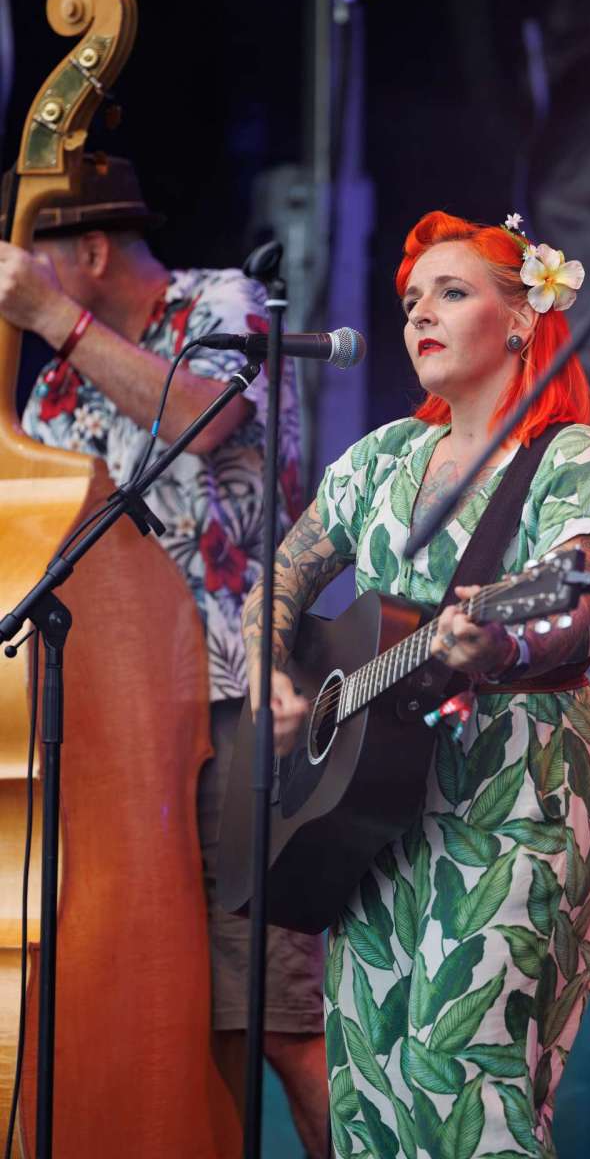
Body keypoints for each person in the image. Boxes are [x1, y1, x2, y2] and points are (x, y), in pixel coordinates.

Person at [242, 209, 590, 1158]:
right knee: (369, 1091)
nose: (420, 312)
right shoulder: (381, 460)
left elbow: (579, 599)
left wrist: (495, 646)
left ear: (522, 320)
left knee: (468, 1086)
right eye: (413, 298)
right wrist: (272, 681)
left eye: (451, 293)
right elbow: (280, 577)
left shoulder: (570, 455)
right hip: (367, 811)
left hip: (514, 785)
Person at [0, 154, 328, 1157]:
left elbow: (205, 417)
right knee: (174, 1018)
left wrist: (54, 318)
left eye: (32, 259)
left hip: (241, 705)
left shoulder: (223, 303)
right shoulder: (54, 388)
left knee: (280, 1016)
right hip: (120, 736)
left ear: (92, 252)